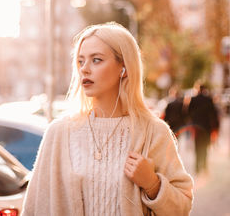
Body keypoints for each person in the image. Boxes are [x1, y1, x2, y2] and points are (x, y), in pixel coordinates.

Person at [21, 22, 193, 216]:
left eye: (96, 60)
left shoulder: (153, 132)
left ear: (124, 68)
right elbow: (33, 209)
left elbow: (182, 207)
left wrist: (152, 184)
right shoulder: (59, 132)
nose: (84, 69)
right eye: (80, 61)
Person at [188, 83, 219, 175]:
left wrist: (193, 121)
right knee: (205, 147)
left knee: (197, 147)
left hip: (197, 127)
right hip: (206, 127)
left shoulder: (193, 99)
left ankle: (197, 167)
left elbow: (188, 112)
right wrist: (215, 127)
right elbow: (213, 114)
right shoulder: (209, 99)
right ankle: (204, 166)